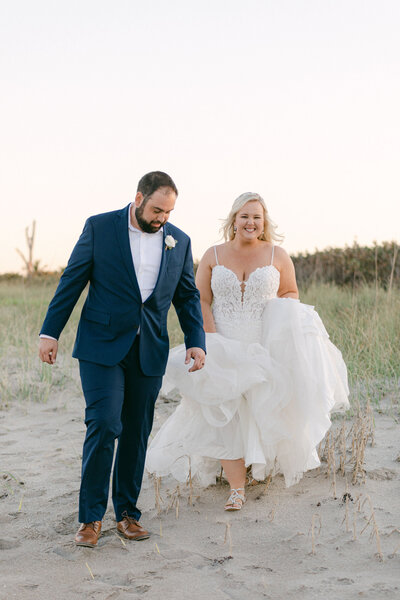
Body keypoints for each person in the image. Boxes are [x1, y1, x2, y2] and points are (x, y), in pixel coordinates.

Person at [146, 192, 349, 510]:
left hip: (262, 342)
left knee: (258, 408)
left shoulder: (277, 255)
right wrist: (210, 337)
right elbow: (199, 298)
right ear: (234, 220)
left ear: (264, 221)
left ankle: (257, 468)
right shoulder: (213, 254)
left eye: (256, 217)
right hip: (220, 338)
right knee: (223, 408)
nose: (251, 222)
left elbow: (289, 292)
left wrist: (285, 329)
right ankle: (237, 488)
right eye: (245, 216)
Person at [38, 171, 206, 546]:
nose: (163, 218)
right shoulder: (100, 227)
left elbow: (187, 295)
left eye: (169, 211)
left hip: (149, 349)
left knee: (136, 431)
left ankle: (127, 514)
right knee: (104, 423)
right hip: (101, 346)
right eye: (158, 209)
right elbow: (72, 280)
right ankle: (90, 519)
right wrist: (50, 332)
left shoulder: (179, 241)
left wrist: (196, 340)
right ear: (139, 198)